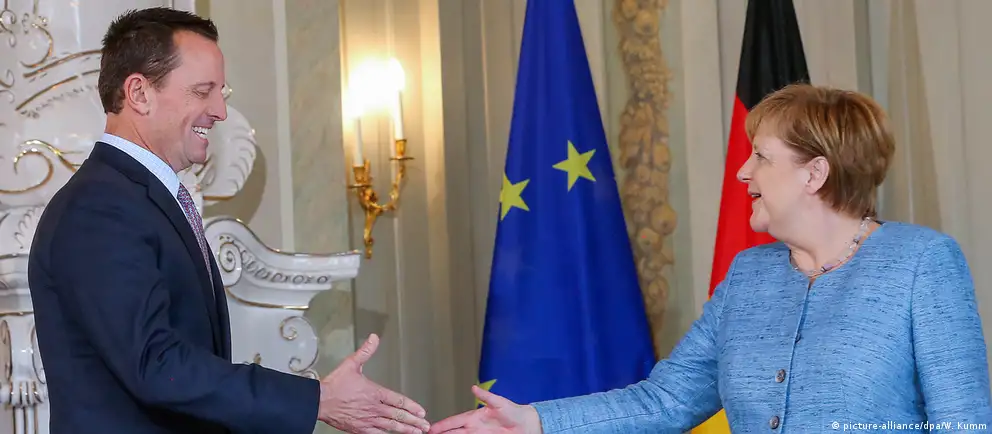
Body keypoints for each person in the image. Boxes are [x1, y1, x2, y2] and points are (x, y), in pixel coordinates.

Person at [429, 84, 992, 433]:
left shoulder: (923, 262)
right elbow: (667, 399)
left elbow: (963, 423)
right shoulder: (749, 276)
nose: (743, 172)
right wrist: (534, 421)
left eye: (761, 157)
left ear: (814, 174)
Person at [27, 7, 430, 434]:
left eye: (222, 92)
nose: (220, 110)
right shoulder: (99, 207)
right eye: (203, 91)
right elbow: (155, 363)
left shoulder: (135, 199)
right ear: (139, 93)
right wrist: (318, 399)